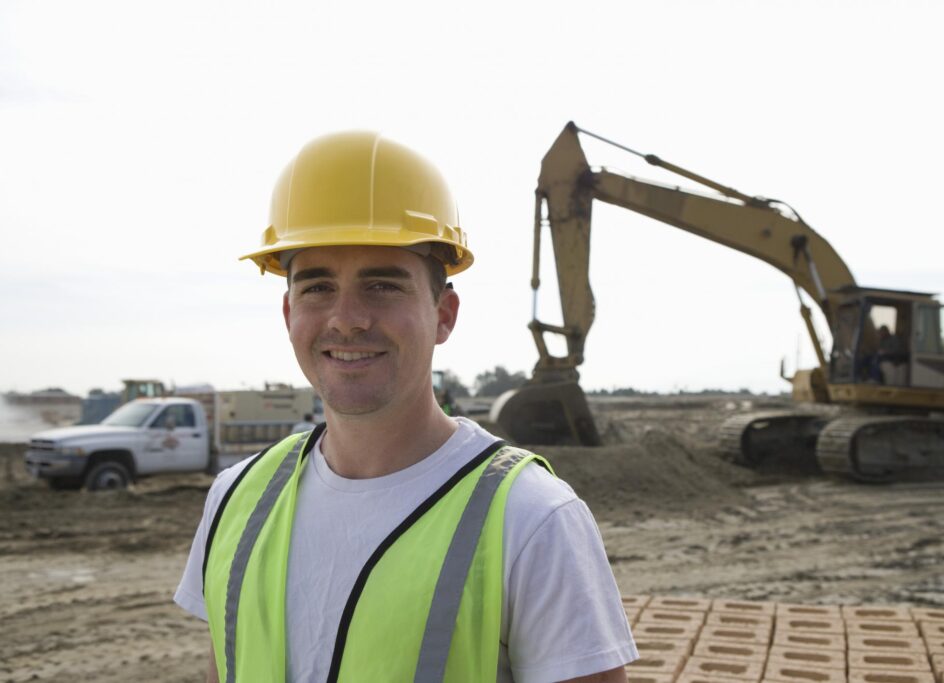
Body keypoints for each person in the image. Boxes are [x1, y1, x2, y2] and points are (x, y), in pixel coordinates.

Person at [174, 131, 638, 682]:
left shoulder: (532, 519)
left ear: (445, 314)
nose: (346, 319)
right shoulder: (236, 499)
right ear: (287, 312)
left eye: (382, 286)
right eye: (317, 287)